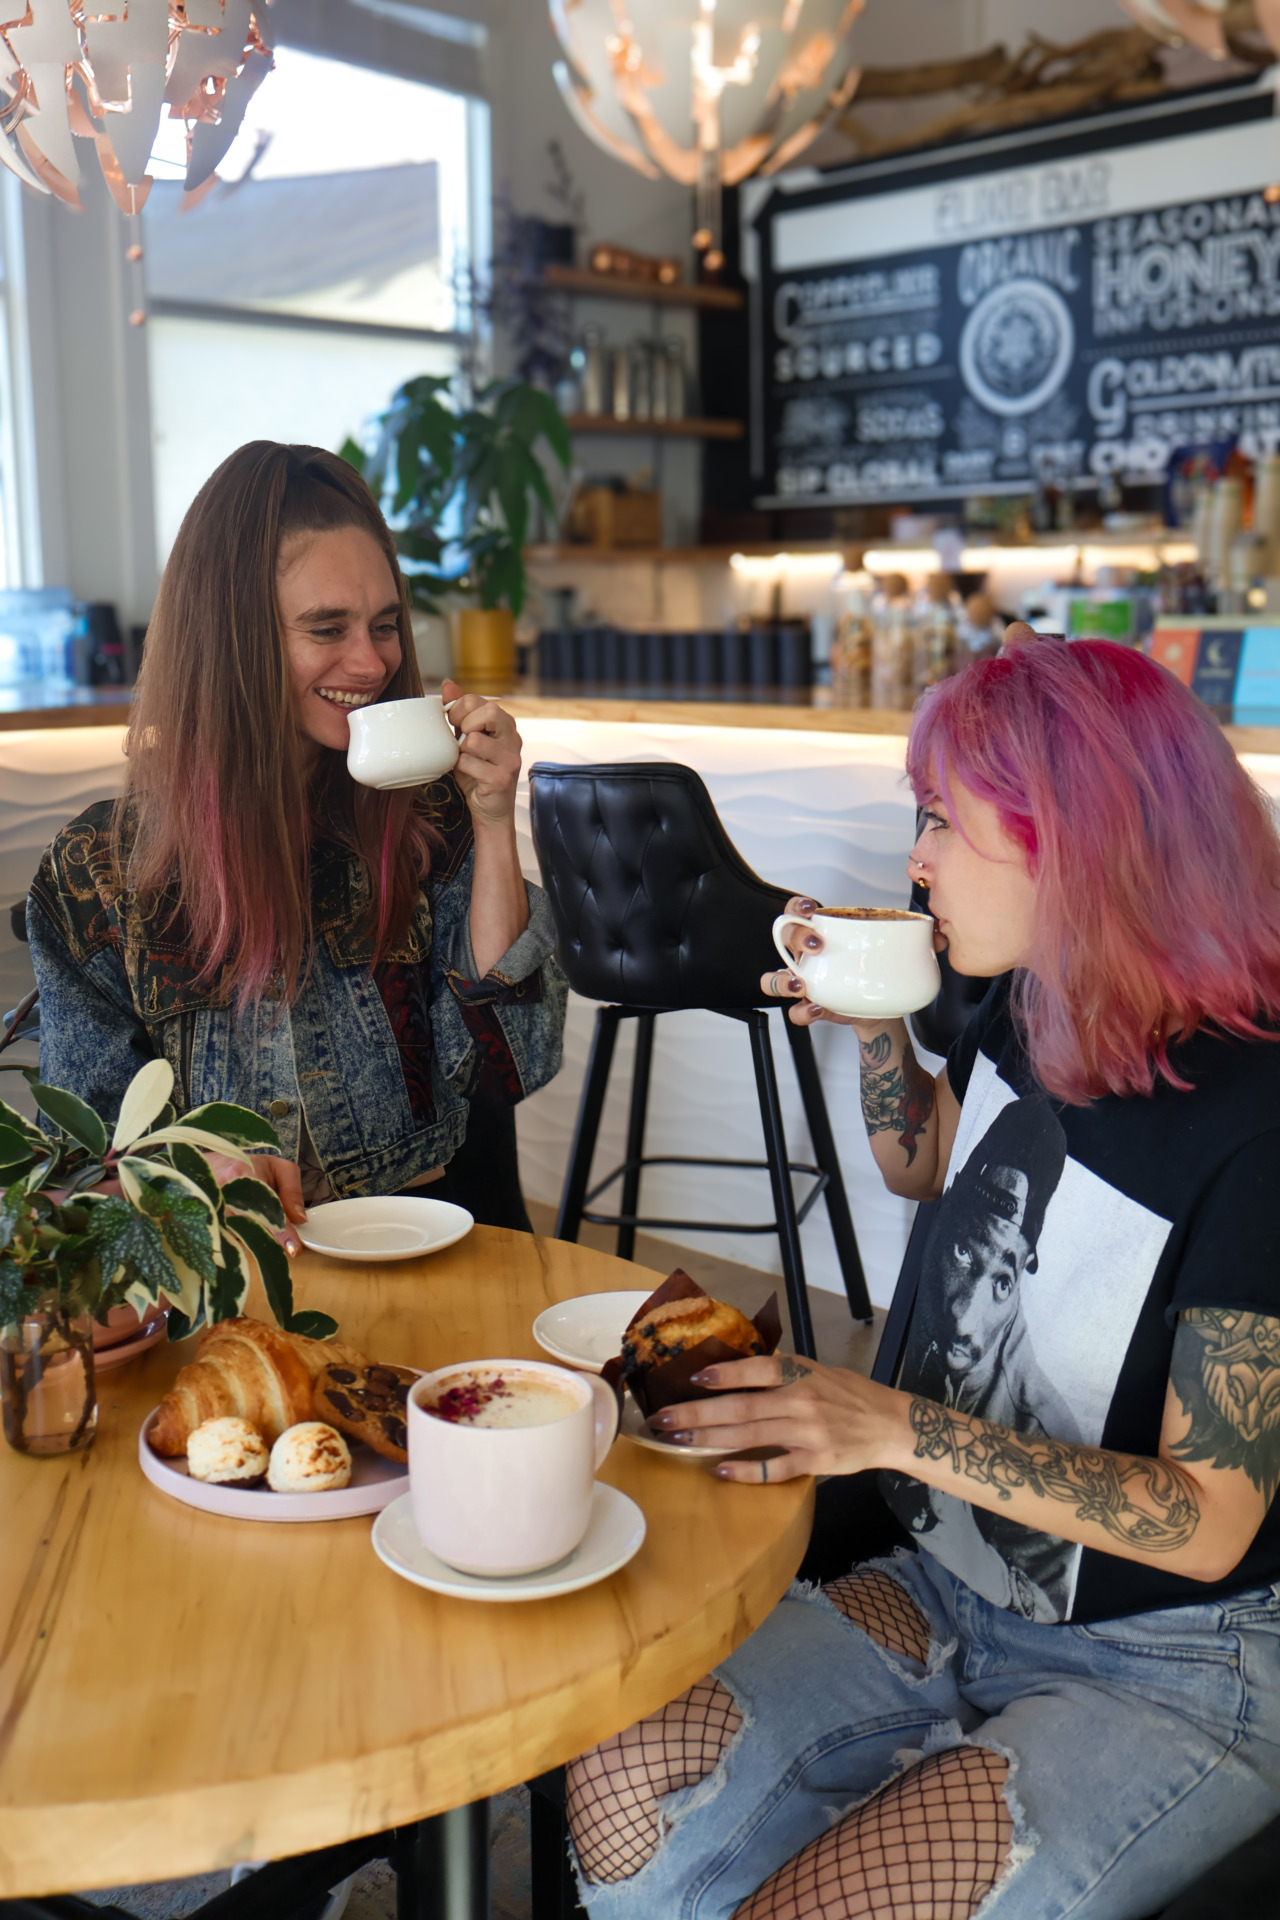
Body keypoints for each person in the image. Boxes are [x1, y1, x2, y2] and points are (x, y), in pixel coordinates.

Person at [565, 633, 1280, 1920]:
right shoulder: (1036, 992)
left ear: (1080, 839)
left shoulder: (1255, 1113)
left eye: (942, 819)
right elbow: (921, 1162)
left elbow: (1209, 1515)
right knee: (620, 1790)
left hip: (1165, 1657)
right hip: (951, 1578)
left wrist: (886, 1422)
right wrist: (878, 1023)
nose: (913, 856)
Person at [26, 442, 566, 1241]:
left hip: (422, 1239)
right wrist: (195, 1169)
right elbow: (79, 1169)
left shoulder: (426, 819)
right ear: (232, 638)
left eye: (385, 624)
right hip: (227, 1272)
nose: (375, 660)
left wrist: (492, 821)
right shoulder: (99, 874)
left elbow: (510, 1060)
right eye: (327, 627)